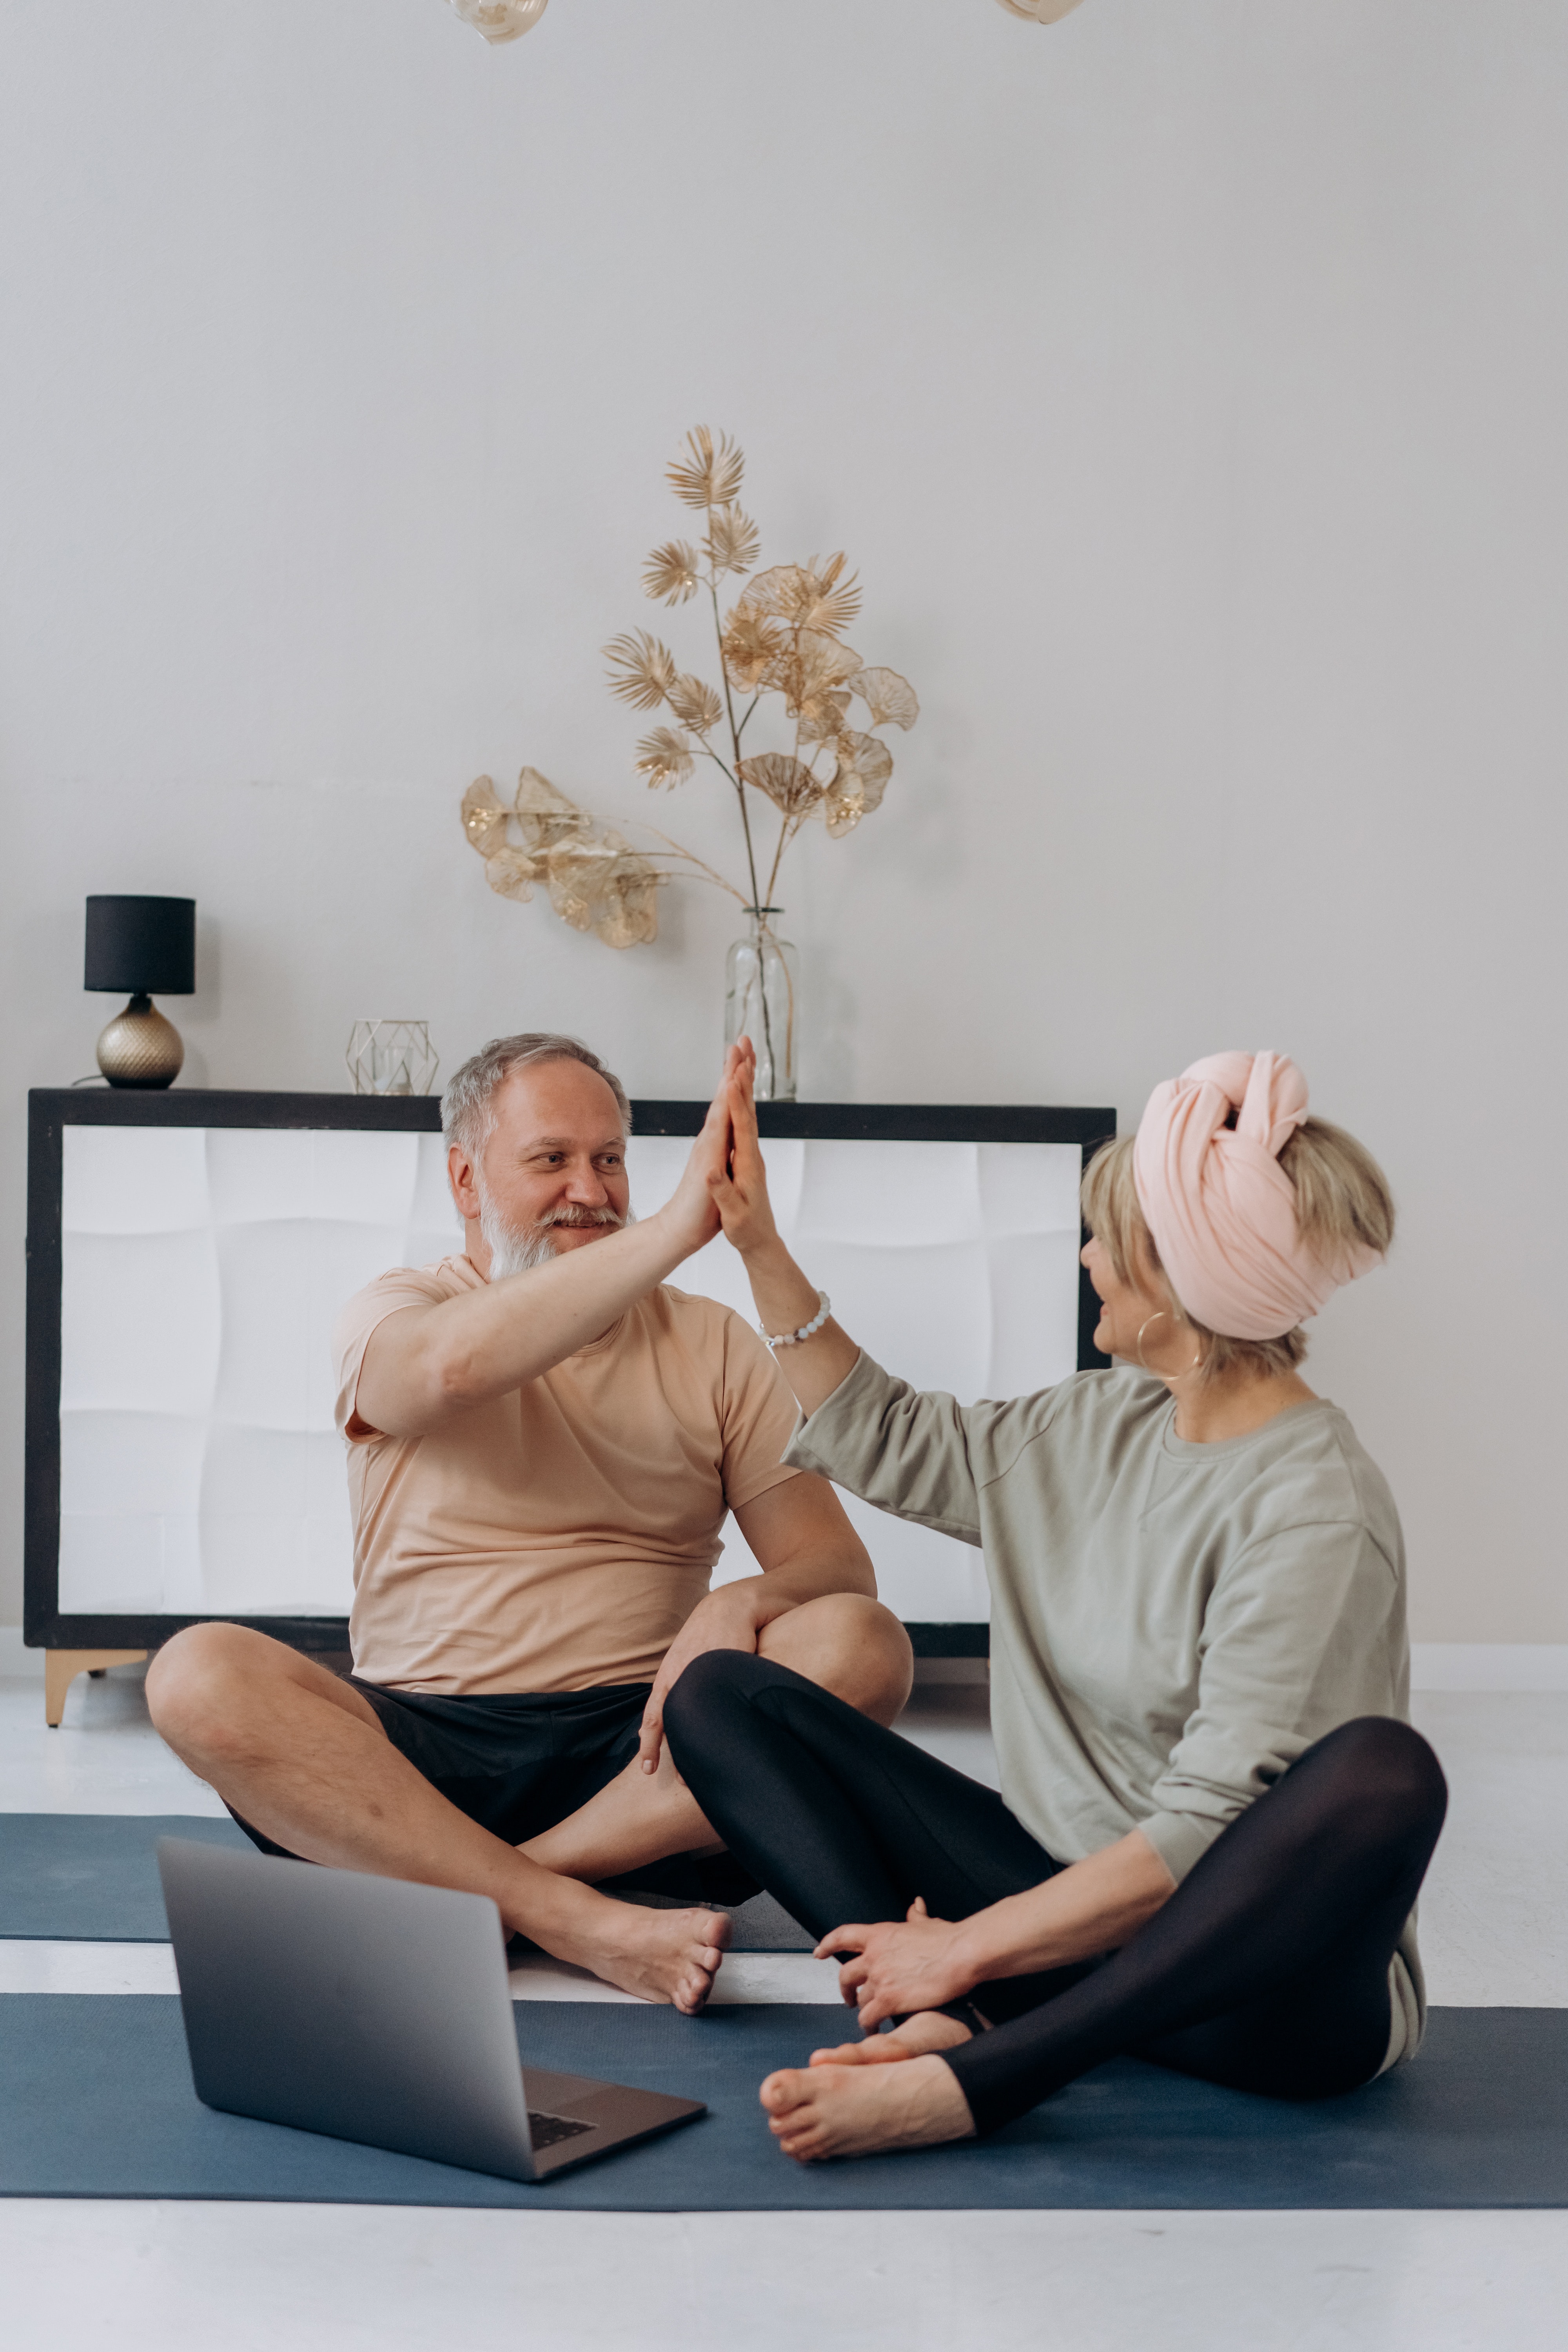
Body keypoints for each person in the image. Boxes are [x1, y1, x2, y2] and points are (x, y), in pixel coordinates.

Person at [662, 1043, 1447, 2159]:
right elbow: (888, 1433)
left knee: (1386, 1773)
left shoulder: (1315, 1508)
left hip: (1247, 1997)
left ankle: (983, 2072)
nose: (1087, 1257)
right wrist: (758, 1245)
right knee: (723, 1699)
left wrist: (971, 1945)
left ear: (1178, 1290)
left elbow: (1205, 1829)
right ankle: (924, 2012)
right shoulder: (1092, 1429)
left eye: (1109, 1243)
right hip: (1062, 1924)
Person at [147, 1033, 912, 2013]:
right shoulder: (399, 1309)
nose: (588, 1190)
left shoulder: (711, 1341)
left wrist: (743, 1602)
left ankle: (494, 1892)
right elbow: (450, 1372)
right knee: (197, 1674)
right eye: (549, 1160)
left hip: (652, 1767)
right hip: (421, 1758)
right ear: (466, 1179)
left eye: (609, 1159)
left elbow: (836, 1568)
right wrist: (679, 1226)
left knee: (861, 1642)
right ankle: (578, 1918)